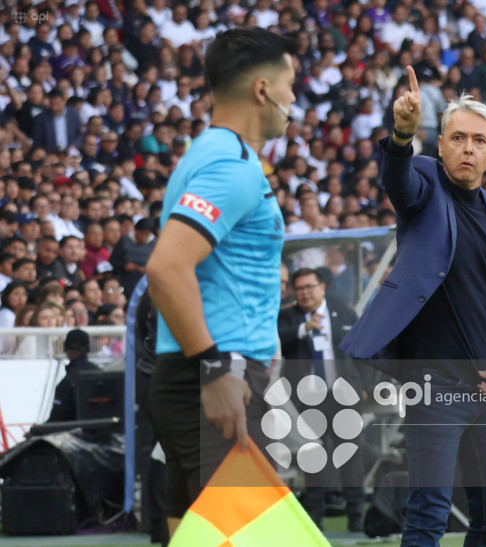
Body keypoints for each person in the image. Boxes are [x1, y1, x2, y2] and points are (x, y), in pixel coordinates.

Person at [341, 67, 486, 547]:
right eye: (458, 137)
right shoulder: (424, 181)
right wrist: (403, 134)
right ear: (441, 145)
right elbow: (397, 180)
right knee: (429, 513)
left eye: (479, 140)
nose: (468, 147)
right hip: (435, 385)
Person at [145, 28, 296, 538]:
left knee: (190, 533)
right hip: (216, 377)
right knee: (250, 535)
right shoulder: (231, 165)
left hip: (202, 376)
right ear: (262, 90)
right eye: (290, 85)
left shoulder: (212, 154)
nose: (293, 101)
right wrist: (214, 370)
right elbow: (166, 268)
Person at [277, 267, 366, 532]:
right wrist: (304, 328)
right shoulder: (286, 318)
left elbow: (363, 350)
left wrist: (364, 385)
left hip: (343, 396)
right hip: (308, 399)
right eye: (300, 288)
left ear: (322, 287)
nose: (305, 293)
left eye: (309, 287)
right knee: (313, 460)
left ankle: (357, 517)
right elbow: (279, 341)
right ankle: (314, 520)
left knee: (351, 456)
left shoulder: (344, 312)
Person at [47, 329, 100, 422]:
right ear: (88, 348)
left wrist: (36, 431)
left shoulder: (67, 382)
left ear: (64, 348)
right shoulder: (100, 373)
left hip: (73, 432)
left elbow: (56, 418)